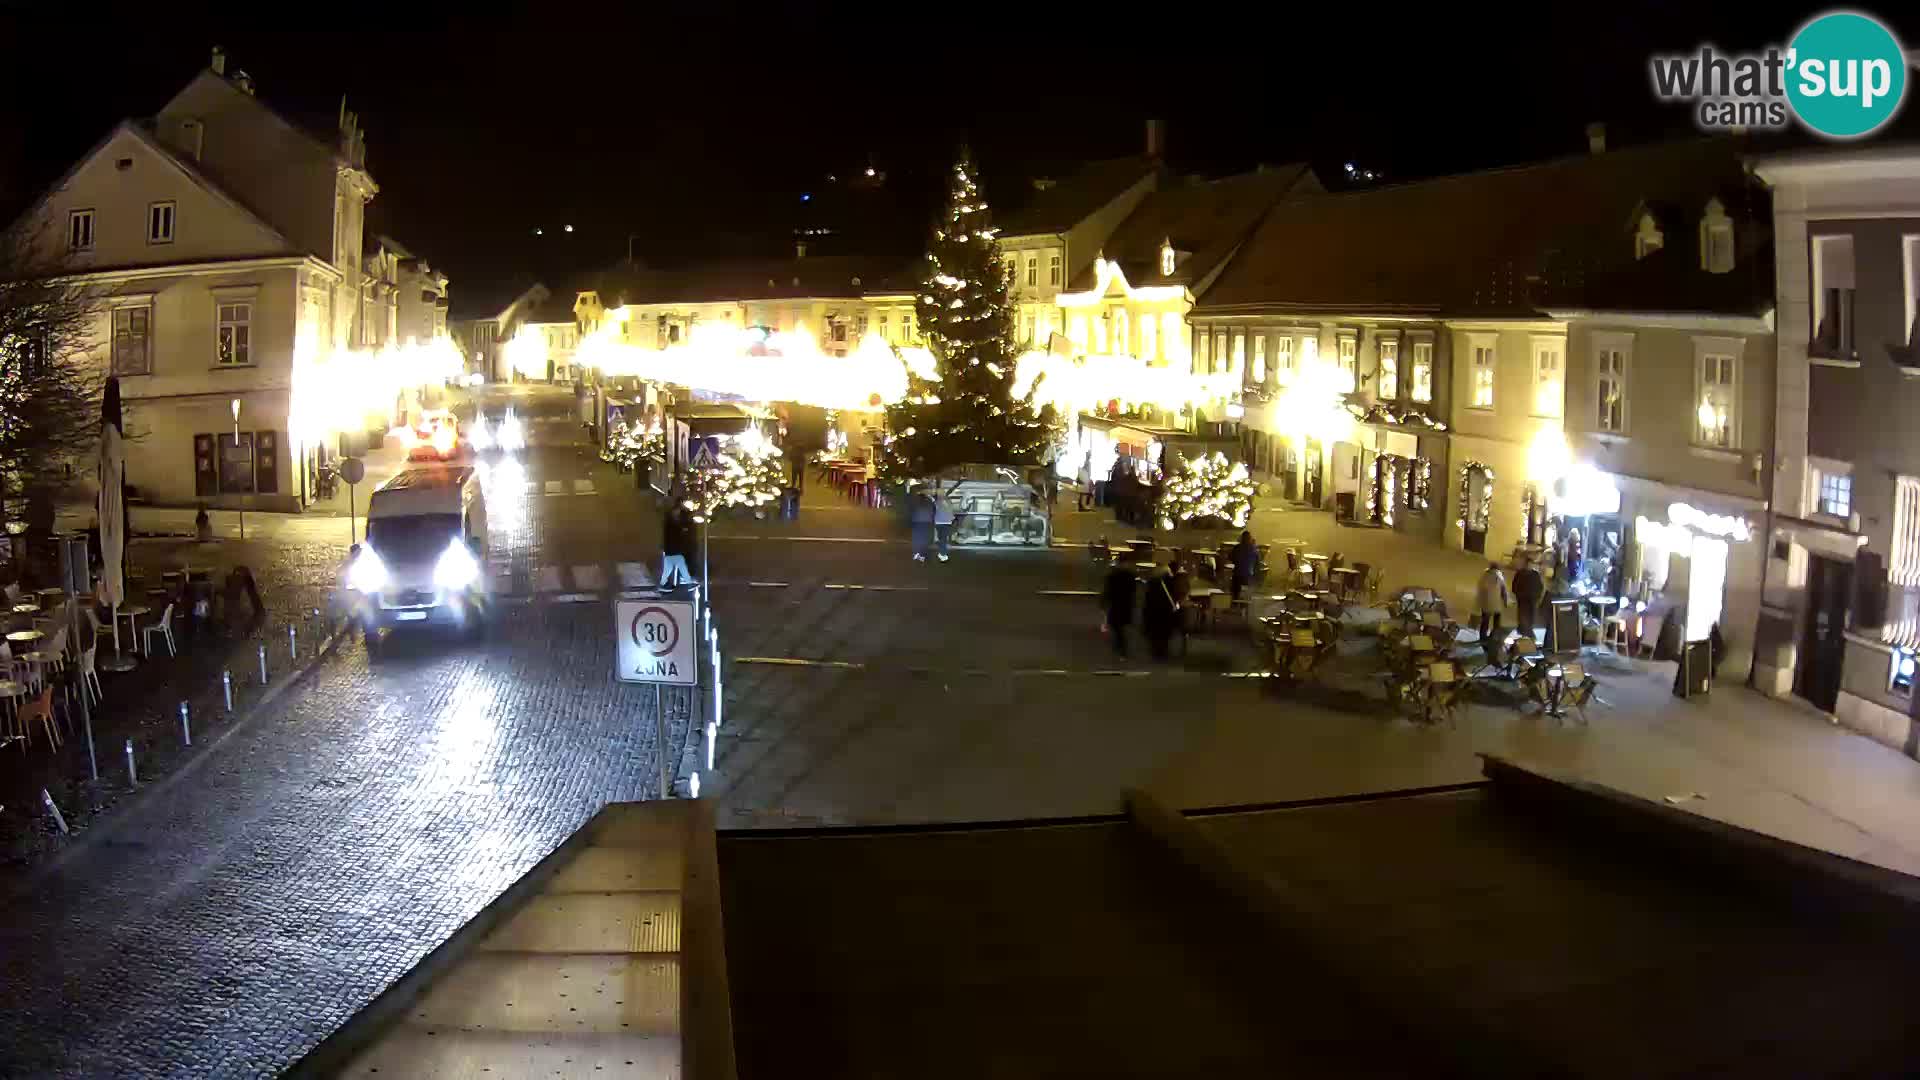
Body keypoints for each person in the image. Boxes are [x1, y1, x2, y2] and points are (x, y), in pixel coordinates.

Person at [1142, 566, 1180, 660]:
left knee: (1155, 632)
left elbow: (1148, 598)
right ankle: (1163, 651)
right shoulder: (1171, 581)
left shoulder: (1151, 582)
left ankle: (1156, 652)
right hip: (1166, 611)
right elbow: (1174, 595)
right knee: (1164, 633)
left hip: (1154, 611)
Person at [1102, 561, 1137, 657]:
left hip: (1116, 604)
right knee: (1120, 626)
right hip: (1125, 604)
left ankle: (1120, 646)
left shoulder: (1113, 575)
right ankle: (1120, 646)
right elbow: (1133, 591)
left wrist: (1104, 601)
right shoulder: (1130, 576)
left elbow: (1107, 590)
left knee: (1117, 626)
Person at [660, 497, 695, 588]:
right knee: (678, 563)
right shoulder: (672, 522)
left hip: (671, 549)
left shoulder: (672, 520)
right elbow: (674, 533)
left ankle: (663, 583)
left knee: (669, 568)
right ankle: (688, 582)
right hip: (672, 549)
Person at [1474, 560, 1509, 645]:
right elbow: (1504, 590)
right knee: (1496, 622)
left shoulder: (1484, 576)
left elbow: (1480, 590)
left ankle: (1483, 638)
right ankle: (1494, 637)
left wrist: (1479, 603)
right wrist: (1505, 601)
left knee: (1485, 622)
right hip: (1497, 604)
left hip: (1486, 603)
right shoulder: (1500, 576)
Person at [1512, 555, 1545, 642]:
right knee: (1523, 616)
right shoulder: (1520, 574)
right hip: (1523, 599)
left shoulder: (1534, 574)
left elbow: (1540, 586)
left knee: (1530, 616)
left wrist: (1538, 595)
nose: (1530, 566)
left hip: (1532, 599)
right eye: (1528, 564)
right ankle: (1526, 632)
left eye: (1531, 564)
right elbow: (1514, 586)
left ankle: (1526, 631)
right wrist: (1518, 594)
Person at [1229, 530, 1259, 601]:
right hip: (1249, 575)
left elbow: (1231, 558)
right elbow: (1257, 562)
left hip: (1238, 575)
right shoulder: (1254, 549)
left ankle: (1234, 601)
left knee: (1234, 590)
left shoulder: (1237, 548)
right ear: (1250, 539)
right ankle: (1245, 603)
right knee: (1247, 592)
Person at [909, 488, 935, 563]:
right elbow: (933, 510)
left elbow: (911, 509)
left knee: (916, 537)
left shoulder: (914, 500)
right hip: (927, 521)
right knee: (924, 538)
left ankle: (916, 553)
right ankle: (922, 554)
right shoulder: (930, 500)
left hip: (916, 520)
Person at [932, 486, 955, 562]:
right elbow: (951, 510)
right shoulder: (949, 501)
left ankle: (943, 554)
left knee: (941, 538)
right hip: (947, 522)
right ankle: (942, 553)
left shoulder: (936, 502)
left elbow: (933, 510)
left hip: (938, 522)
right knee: (943, 538)